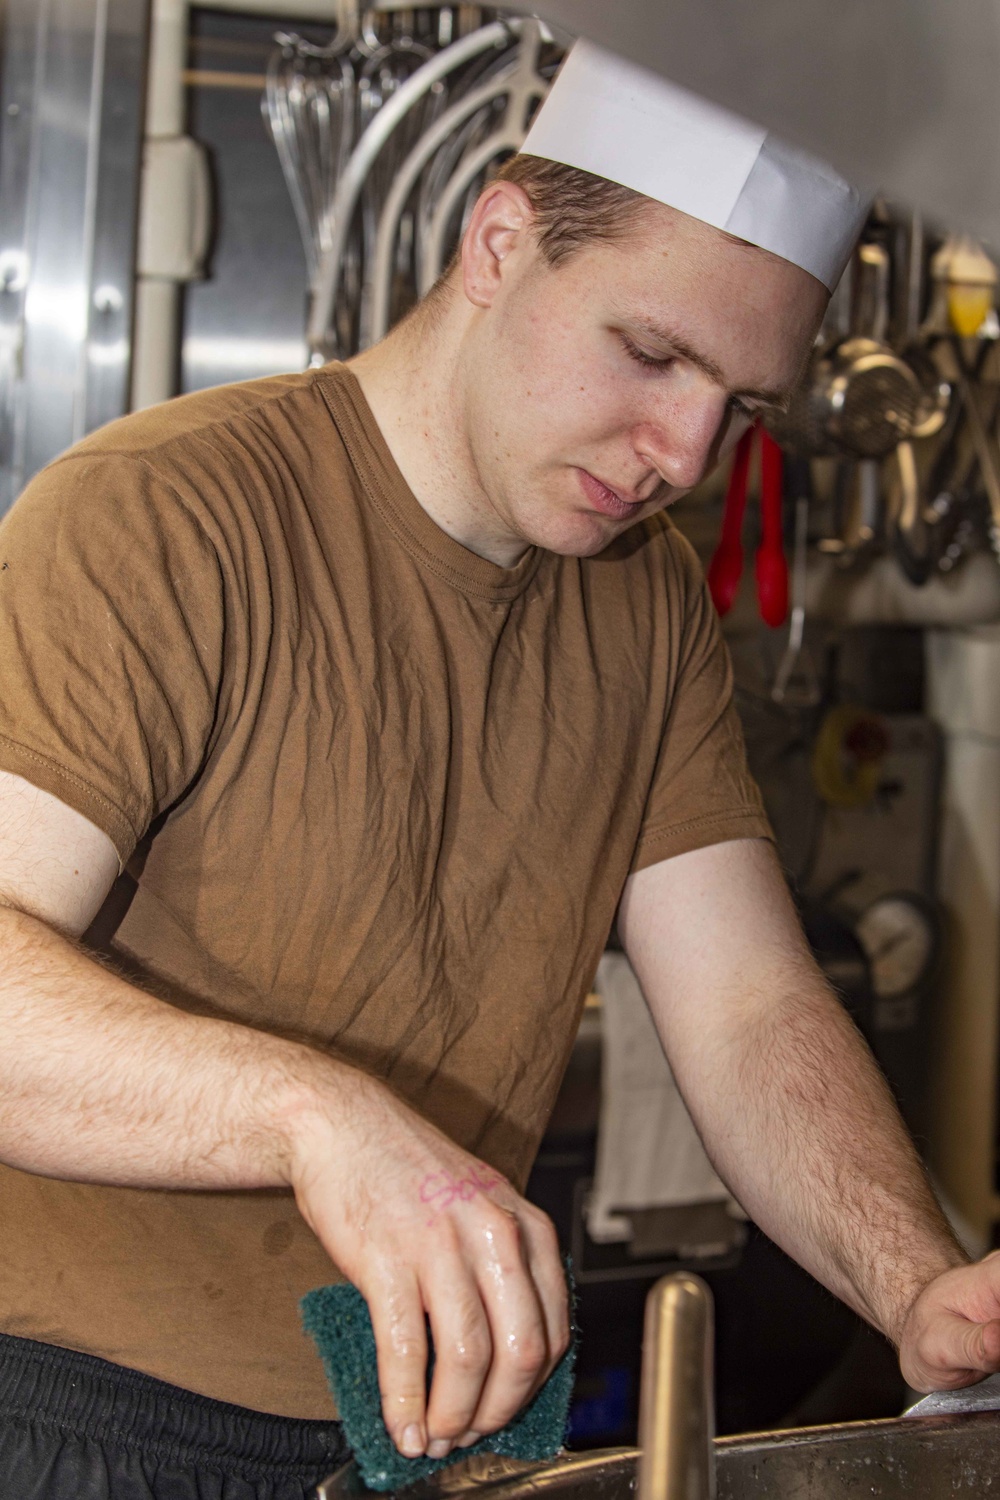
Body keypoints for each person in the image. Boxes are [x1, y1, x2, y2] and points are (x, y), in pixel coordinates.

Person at [0, 34, 998, 1500]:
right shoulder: (166, 519)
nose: (681, 450)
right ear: (499, 243)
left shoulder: (645, 598)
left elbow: (749, 1009)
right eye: (651, 353)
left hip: (445, 1437)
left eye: (742, 406)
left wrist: (919, 1288)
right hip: (87, 1424)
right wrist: (318, 1116)